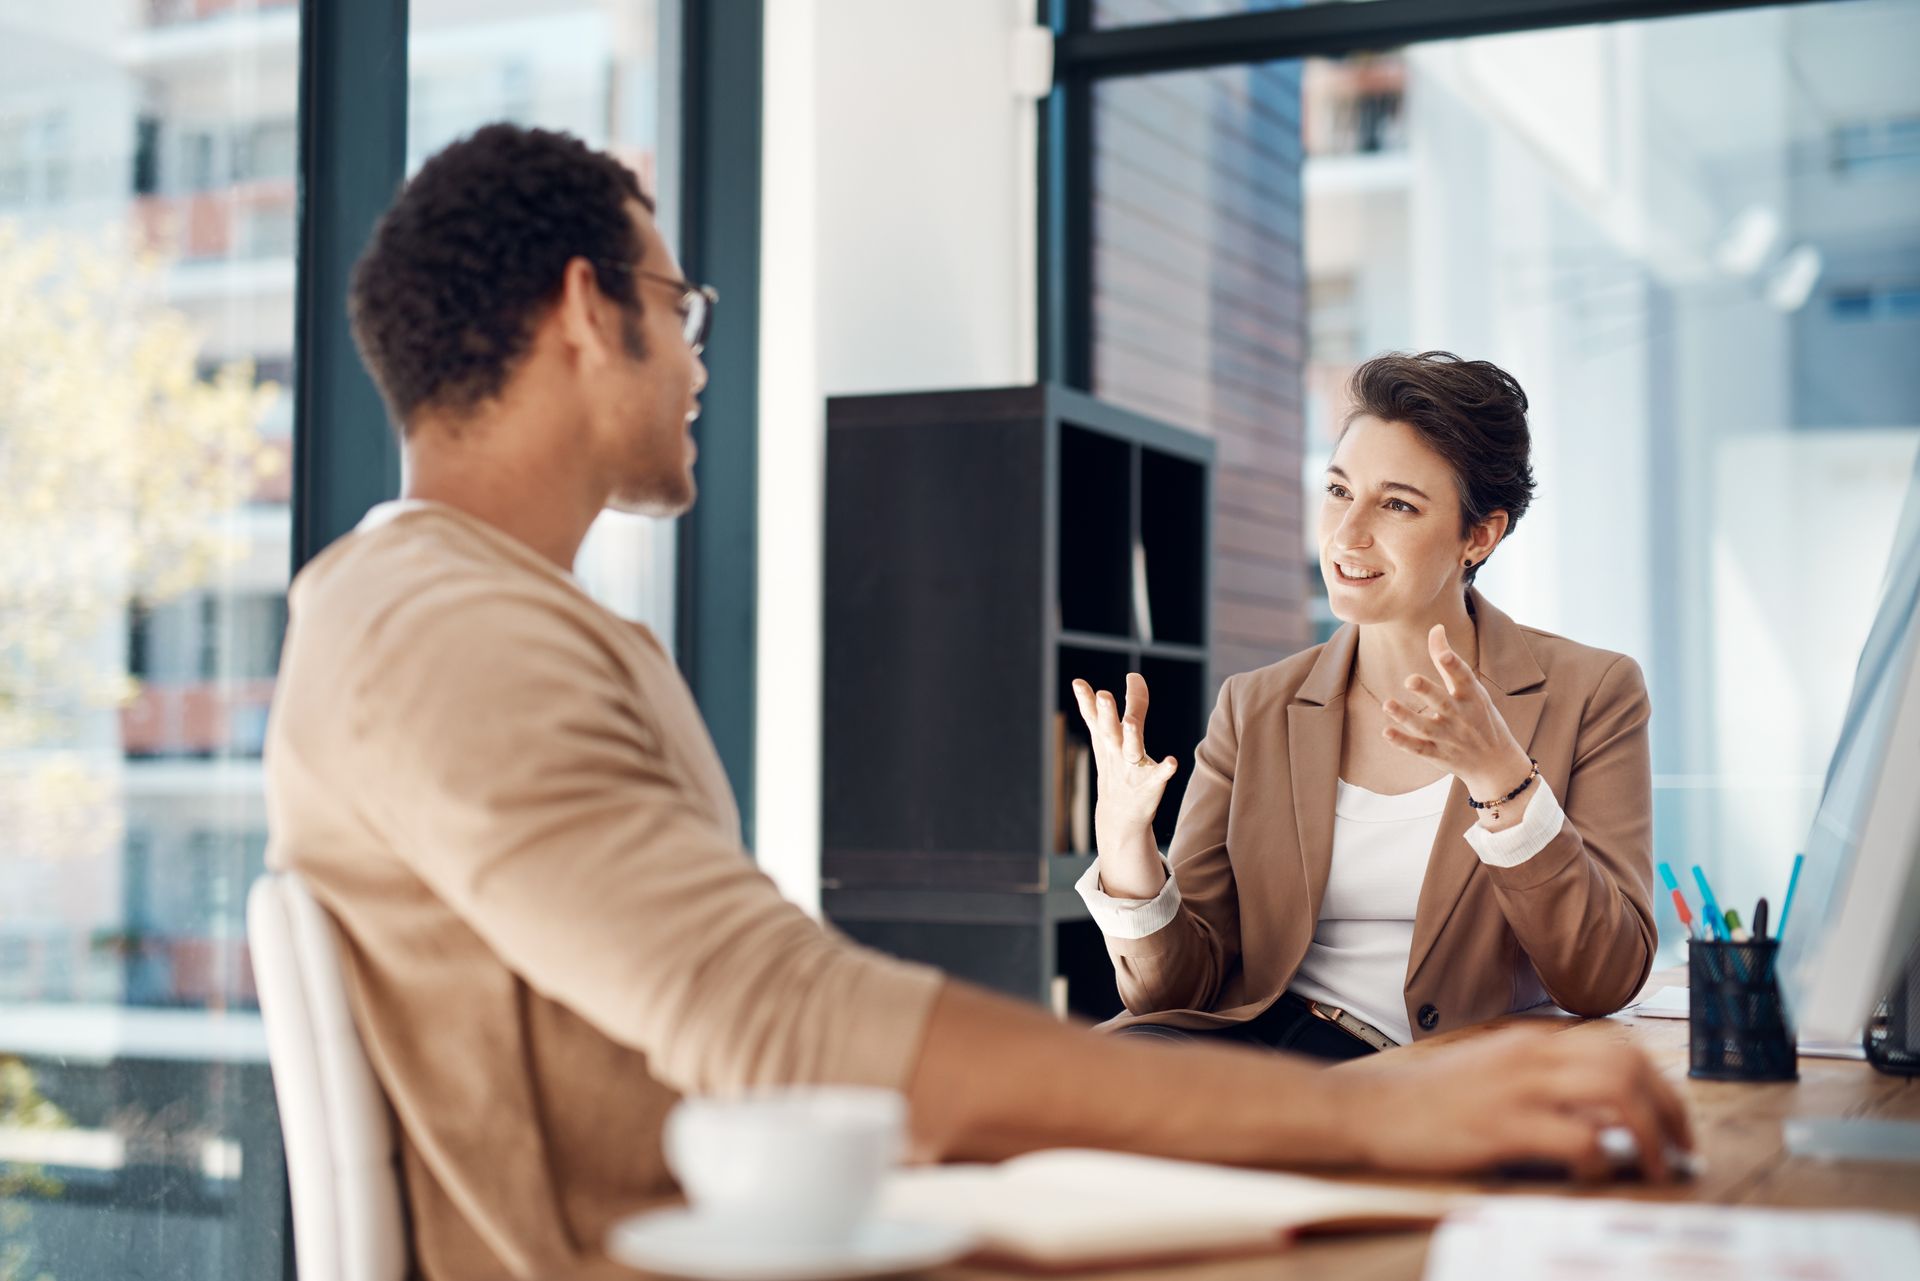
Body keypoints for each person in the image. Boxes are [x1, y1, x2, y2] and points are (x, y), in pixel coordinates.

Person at [264, 125, 1690, 1281]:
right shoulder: (439, 629)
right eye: (679, 306)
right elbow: (781, 1018)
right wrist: (1354, 1120)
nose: (701, 357)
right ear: (588, 311)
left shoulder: (511, 621)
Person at [1071, 351, 1656, 1060]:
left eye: (1398, 504)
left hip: (1439, 1079)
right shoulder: (1254, 707)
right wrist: (1127, 848)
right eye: (1339, 490)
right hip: (1264, 1054)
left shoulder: (1593, 694)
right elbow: (1179, 992)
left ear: (1481, 534)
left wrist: (1503, 779)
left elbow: (1605, 976)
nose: (1347, 535)